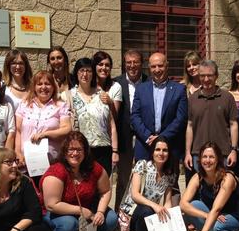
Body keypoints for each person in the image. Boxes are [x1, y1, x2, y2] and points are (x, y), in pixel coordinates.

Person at [41, 131, 117, 231]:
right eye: (71, 149)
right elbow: (52, 204)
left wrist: (100, 212)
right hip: (58, 213)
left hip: (86, 210)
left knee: (111, 218)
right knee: (69, 224)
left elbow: (106, 190)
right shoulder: (56, 171)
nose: (75, 153)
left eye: (79, 149)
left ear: (85, 151)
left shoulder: (94, 168)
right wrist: (81, 210)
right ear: (64, 151)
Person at [181, 142, 239, 231]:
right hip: (215, 215)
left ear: (218, 159)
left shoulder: (227, 178)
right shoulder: (198, 177)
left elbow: (216, 209)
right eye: (204, 157)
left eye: (211, 157)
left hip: (235, 217)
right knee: (193, 205)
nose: (207, 160)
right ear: (200, 159)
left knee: (217, 227)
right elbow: (183, 204)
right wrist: (206, 215)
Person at [126, 137, 178, 231]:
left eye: (165, 150)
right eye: (158, 149)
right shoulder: (142, 165)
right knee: (147, 210)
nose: (161, 153)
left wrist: (171, 222)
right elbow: (135, 195)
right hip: (132, 212)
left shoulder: (170, 174)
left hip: (150, 212)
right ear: (152, 152)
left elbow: (167, 201)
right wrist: (155, 206)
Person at [131, 52, 188, 162]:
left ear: (167, 66)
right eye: (153, 66)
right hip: (145, 146)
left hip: (170, 147)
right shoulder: (141, 89)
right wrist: (148, 137)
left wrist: (162, 138)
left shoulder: (179, 89)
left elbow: (181, 119)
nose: (157, 70)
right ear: (149, 68)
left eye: (160, 66)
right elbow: (135, 116)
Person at [184, 60, 238, 173]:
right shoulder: (193, 99)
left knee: (223, 183)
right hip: (198, 155)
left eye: (210, 75)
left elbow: (233, 124)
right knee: (200, 184)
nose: (206, 79)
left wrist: (234, 150)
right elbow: (190, 126)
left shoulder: (227, 98)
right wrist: (188, 152)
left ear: (216, 76)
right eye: (202, 76)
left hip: (223, 154)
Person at [15, 70, 71, 171]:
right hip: (25, 163)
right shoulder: (24, 105)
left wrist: (45, 134)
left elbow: (66, 129)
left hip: (52, 163)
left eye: (47, 84)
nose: (43, 87)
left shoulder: (61, 106)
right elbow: (18, 131)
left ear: (53, 87)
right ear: (34, 87)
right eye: (39, 84)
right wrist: (18, 153)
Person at [71, 58, 118, 175]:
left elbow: (112, 125)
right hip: (81, 152)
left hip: (104, 151)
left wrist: (115, 151)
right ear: (76, 73)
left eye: (88, 71)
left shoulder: (102, 95)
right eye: (82, 70)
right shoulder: (69, 96)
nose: (85, 74)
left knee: (103, 184)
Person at [113, 49, 147, 209]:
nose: (132, 66)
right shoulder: (116, 83)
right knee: (123, 179)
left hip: (144, 137)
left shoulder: (149, 82)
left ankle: (141, 216)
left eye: (136, 62)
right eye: (128, 62)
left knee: (145, 179)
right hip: (123, 138)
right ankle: (120, 215)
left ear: (142, 63)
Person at [92, 50, 123, 122]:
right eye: (100, 64)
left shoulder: (116, 87)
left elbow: (115, 118)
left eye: (107, 65)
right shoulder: (88, 85)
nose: (104, 68)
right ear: (94, 66)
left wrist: (110, 103)